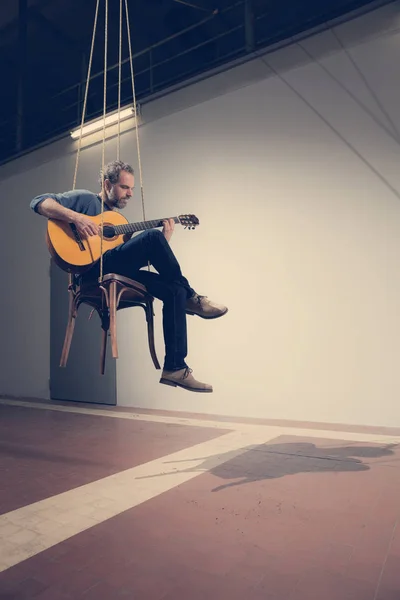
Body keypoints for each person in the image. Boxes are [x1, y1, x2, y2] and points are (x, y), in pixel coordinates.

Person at [30, 160, 228, 393]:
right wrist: (78, 218)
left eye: (132, 189)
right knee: (151, 238)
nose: (130, 194)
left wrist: (165, 240)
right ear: (107, 184)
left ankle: (175, 367)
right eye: (125, 187)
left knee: (174, 290)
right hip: (92, 271)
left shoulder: (116, 221)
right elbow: (38, 202)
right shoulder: (85, 199)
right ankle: (193, 297)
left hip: (116, 268)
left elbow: (138, 257)